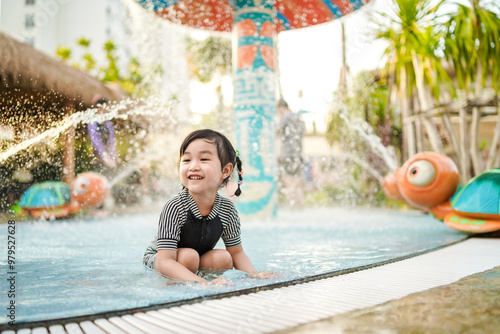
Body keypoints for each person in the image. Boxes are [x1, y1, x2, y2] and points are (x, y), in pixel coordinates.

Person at [143, 129, 276, 284]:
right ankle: (186, 285)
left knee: (223, 258)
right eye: (186, 160)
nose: (193, 166)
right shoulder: (175, 207)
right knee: (188, 257)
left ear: (225, 171)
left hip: (196, 257)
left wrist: (254, 274)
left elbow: (237, 253)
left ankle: (195, 282)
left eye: (204, 159)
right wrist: (204, 283)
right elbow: (165, 261)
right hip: (161, 259)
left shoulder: (227, 210)